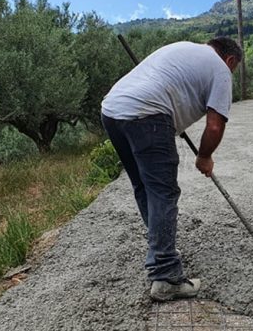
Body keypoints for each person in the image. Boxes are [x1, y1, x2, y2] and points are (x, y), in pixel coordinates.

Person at [100, 37, 242, 301]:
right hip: (148, 114)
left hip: (112, 111)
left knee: (145, 187)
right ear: (230, 60)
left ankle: (161, 252)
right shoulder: (221, 68)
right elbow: (214, 126)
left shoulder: (184, 48)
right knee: (163, 192)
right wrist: (204, 156)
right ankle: (166, 277)